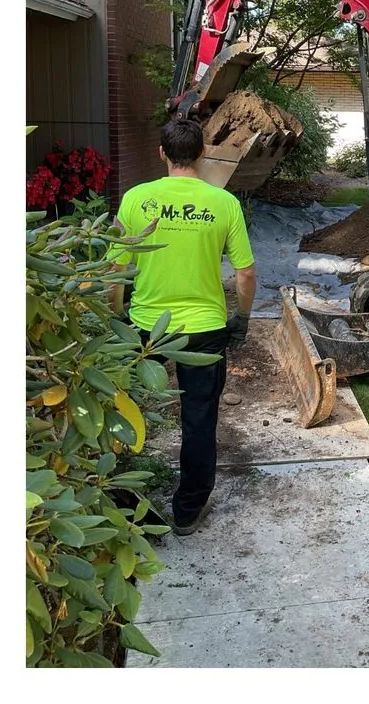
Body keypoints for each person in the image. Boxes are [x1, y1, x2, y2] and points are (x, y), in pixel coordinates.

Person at [109, 118, 256, 535]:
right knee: (198, 417)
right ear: (203, 151)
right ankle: (188, 512)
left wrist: (119, 317)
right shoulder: (223, 203)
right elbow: (245, 273)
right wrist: (241, 320)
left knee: (129, 410)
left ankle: (120, 493)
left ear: (162, 153)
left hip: (146, 329)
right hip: (205, 330)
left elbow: (117, 268)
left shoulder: (137, 199)